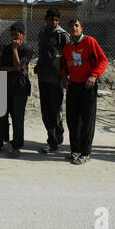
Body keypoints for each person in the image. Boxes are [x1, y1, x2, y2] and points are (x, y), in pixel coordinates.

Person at [0, 22, 34, 158]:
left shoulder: (27, 49)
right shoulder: (6, 48)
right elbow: (1, 68)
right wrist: (15, 69)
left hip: (20, 88)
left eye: (16, 35)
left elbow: (19, 65)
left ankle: (16, 146)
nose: (13, 37)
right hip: (5, 85)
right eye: (12, 35)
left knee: (17, 118)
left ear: (22, 35)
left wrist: (15, 50)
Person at [61, 19, 108, 165]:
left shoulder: (90, 42)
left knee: (87, 120)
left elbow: (103, 60)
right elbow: (64, 64)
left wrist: (94, 75)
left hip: (87, 85)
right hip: (73, 86)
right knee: (72, 119)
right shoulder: (67, 47)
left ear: (81, 28)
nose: (73, 28)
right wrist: (64, 77)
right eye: (71, 26)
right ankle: (75, 150)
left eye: (76, 25)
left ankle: (85, 152)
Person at [34, 8, 70, 154]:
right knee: (46, 110)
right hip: (43, 77)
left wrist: (64, 76)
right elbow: (41, 53)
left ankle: (53, 140)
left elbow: (67, 58)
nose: (53, 22)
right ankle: (53, 137)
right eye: (51, 19)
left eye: (56, 20)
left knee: (55, 110)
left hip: (56, 78)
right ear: (46, 19)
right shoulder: (41, 33)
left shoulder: (62, 35)